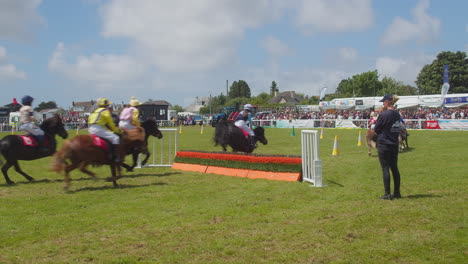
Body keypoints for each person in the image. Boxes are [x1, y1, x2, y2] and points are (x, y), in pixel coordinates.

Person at [374, 94, 402, 200]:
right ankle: (397, 192)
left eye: (383, 102)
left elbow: (376, 129)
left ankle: (387, 193)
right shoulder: (397, 114)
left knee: (385, 168)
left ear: (386, 102)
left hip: (384, 143)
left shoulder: (384, 115)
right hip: (394, 143)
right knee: (394, 168)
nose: (382, 104)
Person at [88, 98, 123, 162]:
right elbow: (112, 125)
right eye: (107, 105)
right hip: (98, 129)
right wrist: (119, 131)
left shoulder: (95, 111)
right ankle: (116, 157)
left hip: (90, 128)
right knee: (116, 138)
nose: (108, 107)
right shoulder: (105, 111)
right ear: (106, 105)